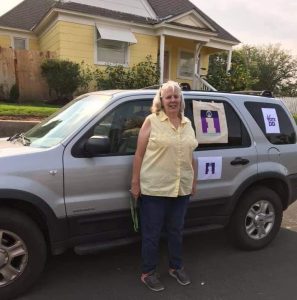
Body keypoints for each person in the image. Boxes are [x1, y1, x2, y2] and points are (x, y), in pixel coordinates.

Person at [130, 80, 198, 292]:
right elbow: (139, 154)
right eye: (168, 96)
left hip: (181, 187)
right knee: (152, 233)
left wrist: (194, 181)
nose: (173, 100)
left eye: (176, 96)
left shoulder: (187, 123)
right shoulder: (152, 120)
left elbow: (191, 155)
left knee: (176, 230)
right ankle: (148, 272)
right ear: (161, 100)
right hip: (155, 188)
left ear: (181, 100)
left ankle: (175, 267)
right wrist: (135, 183)